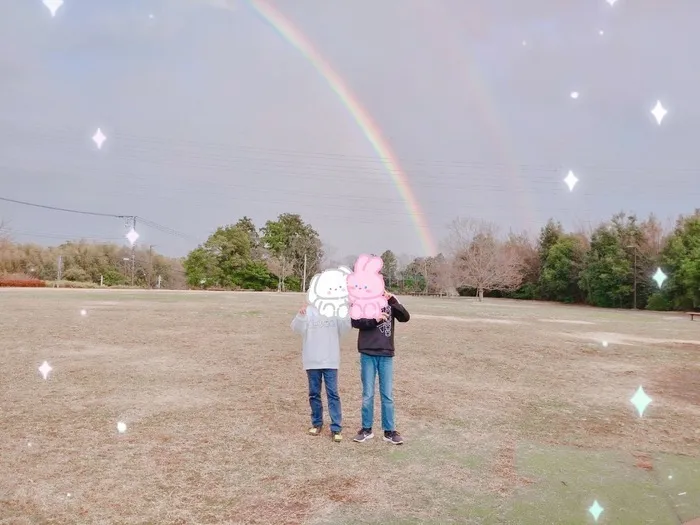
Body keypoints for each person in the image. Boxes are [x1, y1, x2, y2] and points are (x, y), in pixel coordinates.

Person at [351, 291, 410, 445]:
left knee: (387, 395)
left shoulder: (390, 299)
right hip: (367, 352)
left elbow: (405, 317)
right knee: (368, 394)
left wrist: (392, 300)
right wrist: (374, 320)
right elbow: (354, 322)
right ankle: (366, 429)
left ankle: (389, 431)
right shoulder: (361, 300)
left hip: (386, 353)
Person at [291, 303, 351, 442]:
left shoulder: (334, 310)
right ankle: (317, 423)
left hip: (330, 359)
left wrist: (345, 313)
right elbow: (296, 328)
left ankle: (336, 427)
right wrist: (301, 315)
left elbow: (345, 329)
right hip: (312, 360)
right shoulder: (308, 310)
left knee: (333, 394)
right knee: (314, 393)